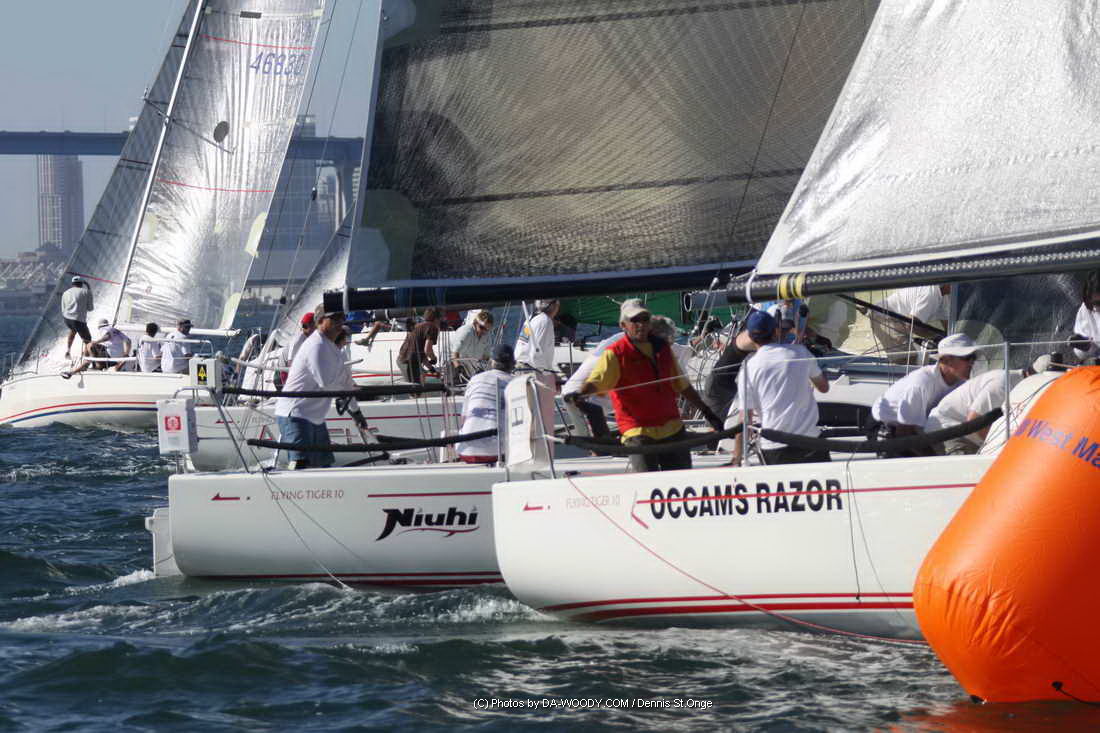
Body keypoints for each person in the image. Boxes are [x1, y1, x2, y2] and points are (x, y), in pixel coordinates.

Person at [569, 299, 724, 472]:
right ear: (623, 325)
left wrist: (708, 412)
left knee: (679, 478)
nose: (641, 324)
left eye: (645, 319)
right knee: (647, 479)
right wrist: (580, 394)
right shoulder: (615, 353)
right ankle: (600, 456)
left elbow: (683, 386)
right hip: (638, 433)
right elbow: (596, 381)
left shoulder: (663, 348)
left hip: (672, 429)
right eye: (635, 320)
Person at [733, 310, 830, 465]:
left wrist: (737, 457)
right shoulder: (800, 353)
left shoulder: (748, 368)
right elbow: (824, 387)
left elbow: (745, 419)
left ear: (750, 337)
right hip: (810, 441)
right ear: (775, 331)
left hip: (774, 446)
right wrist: (821, 372)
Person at [274, 309, 368, 469]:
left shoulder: (333, 349)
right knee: (301, 465)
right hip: (295, 413)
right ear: (319, 322)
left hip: (315, 417)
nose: (339, 322)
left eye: (341, 318)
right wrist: (343, 397)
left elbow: (346, 383)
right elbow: (325, 382)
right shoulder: (316, 345)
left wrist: (356, 412)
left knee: (324, 465)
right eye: (334, 319)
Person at [870, 332, 978, 457]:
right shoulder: (921, 384)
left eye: (973, 357)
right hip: (888, 428)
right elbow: (904, 433)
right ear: (946, 360)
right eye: (967, 358)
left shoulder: (961, 382)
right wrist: (935, 458)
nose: (972, 362)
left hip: (916, 428)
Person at [925, 355, 1052, 454]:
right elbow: (974, 420)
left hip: (965, 433)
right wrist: (999, 448)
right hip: (947, 431)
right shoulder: (1003, 384)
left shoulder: (1019, 384)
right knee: (970, 474)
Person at [455, 343, 516, 463]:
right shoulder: (516, 383)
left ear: (492, 362)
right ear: (513, 364)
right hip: (497, 452)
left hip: (465, 450)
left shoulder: (474, 379)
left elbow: (463, 419)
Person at [515, 299, 561, 449]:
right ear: (553, 306)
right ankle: (533, 448)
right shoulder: (545, 321)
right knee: (534, 413)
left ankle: (528, 446)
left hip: (522, 367)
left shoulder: (533, 318)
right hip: (531, 370)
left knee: (527, 413)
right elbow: (536, 353)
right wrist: (548, 374)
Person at [561, 331, 624, 438]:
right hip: (580, 398)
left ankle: (594, 442)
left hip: (571, 394)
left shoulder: (613, 342)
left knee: (587, 433)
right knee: (594, 433)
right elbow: (596, 384)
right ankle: (598, 444)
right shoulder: (611, 356)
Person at [870, 284, 950, 363]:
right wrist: (936, 337)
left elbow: (947, 324)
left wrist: (949, 338)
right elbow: (912, 326)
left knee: (913, 359)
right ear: (947, 283)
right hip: (884, 316)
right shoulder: (931, 294)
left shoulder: (943, 296)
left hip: (900, 322)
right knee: (908, 359)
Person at [397, 308, 440, 384]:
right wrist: (434, 358)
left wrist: (432, 370)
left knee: (421, 379)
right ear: (436, 319)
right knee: (416, 387)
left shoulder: (418, 326)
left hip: (404, 360)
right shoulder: (432, 327)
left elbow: (422, 355)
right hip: (408, 362)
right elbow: (427, 350)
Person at [450, 310, 494, 380]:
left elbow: (486, 356)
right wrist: (458, 367)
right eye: (482, 327)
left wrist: (483, 368)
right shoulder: (465, 332)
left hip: (473, 372)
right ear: (475, 323)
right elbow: (454, 353)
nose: (484, 331)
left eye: (487, 329)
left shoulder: (487, 335)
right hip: (457, 368)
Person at [60, 275, 94, 359]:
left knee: (73, 330)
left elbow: (63, 308)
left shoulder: (65, 292)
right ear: (82, 283)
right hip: (78, 321)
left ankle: (68, 351)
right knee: (88, 340)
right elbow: (90, 308)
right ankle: (86, 359)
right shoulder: (86, 292)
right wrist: (89, 288)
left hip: (67, 319)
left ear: (72, 284)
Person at [1070, 270, 1100, 362]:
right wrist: (1085, 347)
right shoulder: (1086, 310)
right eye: (1096, 303)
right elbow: (1083, 355)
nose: (1098, 308)